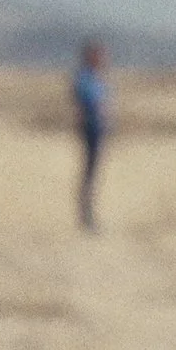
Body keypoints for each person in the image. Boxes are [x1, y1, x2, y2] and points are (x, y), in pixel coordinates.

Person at [70, 40, 110, 232]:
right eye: (99, 55)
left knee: (93, 173)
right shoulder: (85, 79)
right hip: (90, 129)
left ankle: (89, 212)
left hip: (99, 130)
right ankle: (86, 213)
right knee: (89, 173)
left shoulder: (96, 78)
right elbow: (86, 104)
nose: (103, 59)